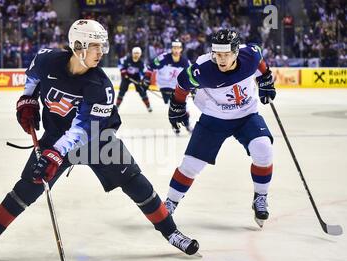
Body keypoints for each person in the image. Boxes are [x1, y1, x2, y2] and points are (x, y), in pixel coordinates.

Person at [0, 20, 199, 261]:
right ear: (77, 46)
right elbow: (34, 78)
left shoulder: (100, 86)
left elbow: (83, 129)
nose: (101, 53)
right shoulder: (46, 59)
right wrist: (27, 100)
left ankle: (172, 233)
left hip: (98, 141)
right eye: (95, 46)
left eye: (103, 46)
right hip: (56, 137)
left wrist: (56, 153)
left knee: (136, 182)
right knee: (27, 188)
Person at [164, 29, 276, 228]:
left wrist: (265, 77)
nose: (221, 59)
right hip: (214, 118)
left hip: (246, 115)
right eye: (217, 54)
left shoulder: (249, 54)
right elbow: (182, 84)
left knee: (264, 149)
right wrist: (177, 106)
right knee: (190, 165)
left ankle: (260, 197)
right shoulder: (203, 68)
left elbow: (259, 61)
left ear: (235, 52)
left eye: (226, 55)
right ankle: (169, 204)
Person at [143, 40, 192, 133]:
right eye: (174, 48)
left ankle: (186, 124)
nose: (176, 50)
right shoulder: (163, 58)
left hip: (177, 86)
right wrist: (146, 78)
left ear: (181, 49)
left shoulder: (185, 62)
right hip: (164, 85)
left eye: (178, 48)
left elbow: (191, 75)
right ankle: (176, 124)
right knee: (173, 105)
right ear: (172, 49)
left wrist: (193, 89)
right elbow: (150, 67)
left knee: (182, 106)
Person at [116, 47, 152, 112]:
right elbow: (119, 63)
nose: (136, 55)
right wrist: (123, 71)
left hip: (136, 78)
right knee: (121, 91)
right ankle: (117, 106)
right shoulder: (126, 59)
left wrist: (142, 81)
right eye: (135, 53)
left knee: (142, 92)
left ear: (140, 54)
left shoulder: (142, 63)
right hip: (126, 77)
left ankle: (148, 106)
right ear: (132, 53)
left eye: (138, 53)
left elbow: (143, 73)